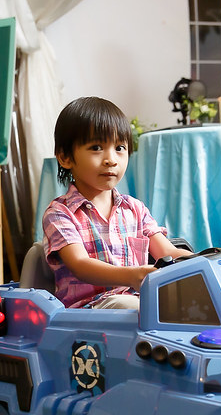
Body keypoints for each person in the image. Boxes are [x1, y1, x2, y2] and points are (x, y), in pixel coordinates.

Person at [42, 97, 191, 310]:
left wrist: (211, 260)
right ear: (65, 158)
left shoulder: (135, 209)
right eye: (96, 147)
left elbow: (169, 253)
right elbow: (80, 265)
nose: (111, 159)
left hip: (141, 302)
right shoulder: (59, 213)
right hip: (89, 311)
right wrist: (133, 276)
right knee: (129, 305)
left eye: (119, 147)